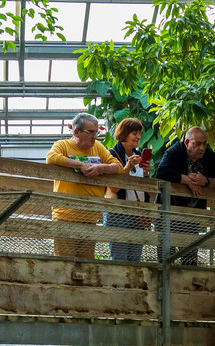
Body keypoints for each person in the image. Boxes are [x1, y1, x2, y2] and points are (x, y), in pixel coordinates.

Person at [45, 112, 123, 261]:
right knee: (64, 263)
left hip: (89, 217)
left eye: (97, 132)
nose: (95, 136)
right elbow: (51, 157)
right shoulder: (63, 145)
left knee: (86, 264)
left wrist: (100, 168)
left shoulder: (98, 147)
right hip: (65, 217)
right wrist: (80, 165)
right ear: (76, 132)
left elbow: (118, 166)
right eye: (90, 132)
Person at [154, 127, 215, 264]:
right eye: (197, 144)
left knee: (190, 258)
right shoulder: (175, 151)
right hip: (167, 213)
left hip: (191, 216)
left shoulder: (209, 156)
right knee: (165, 258)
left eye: (204, 144)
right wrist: (186, 180)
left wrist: (205, 181)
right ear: (187, 142)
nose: (202, 148)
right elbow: (162, 172)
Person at [105, 117, 152, 263]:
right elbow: (112, 187)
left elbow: (142, 186)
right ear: (124, 134)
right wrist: (127, 167)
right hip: (118, 213)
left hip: (137, 213)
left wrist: (145, 174)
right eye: (134, 133)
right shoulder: (111, 154)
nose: (138, 137)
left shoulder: (138, 155)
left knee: (134, 259)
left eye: (139, 133)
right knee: (119, 259)